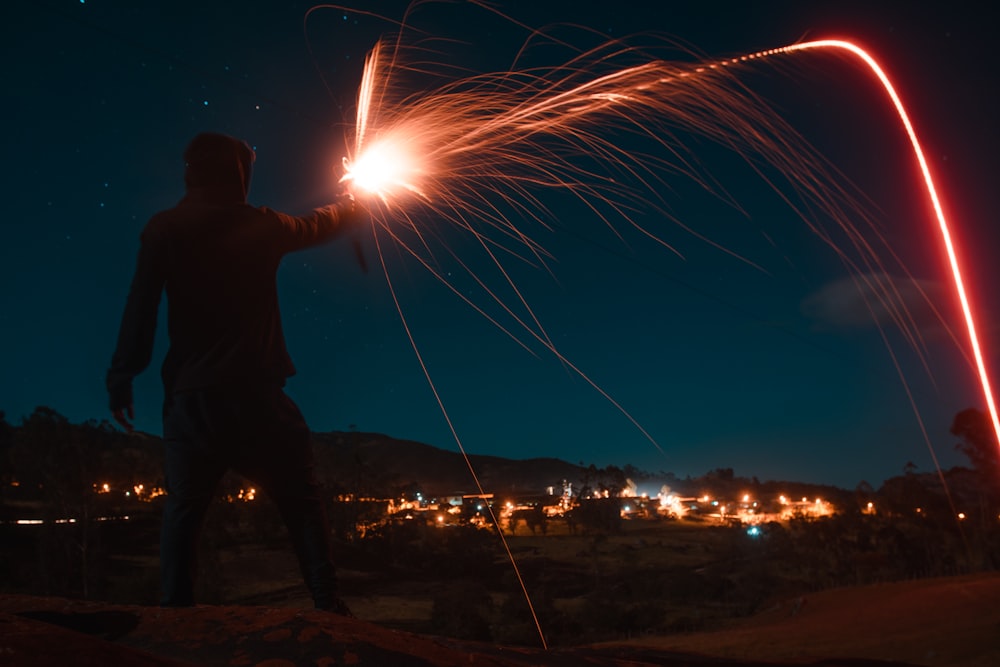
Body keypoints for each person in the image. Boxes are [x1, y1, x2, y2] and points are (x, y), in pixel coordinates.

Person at [107, 132, 362, 613]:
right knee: (301, 502)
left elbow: (139, 306)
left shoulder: (166, 228)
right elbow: (321, 224)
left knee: (184, 510)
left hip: (193, 399)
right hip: (257, 396)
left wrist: (122, 375)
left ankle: (174, 614)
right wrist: (355, 201)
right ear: (239, 173)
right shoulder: (262, 225)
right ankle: (329, 605)